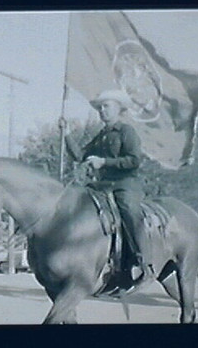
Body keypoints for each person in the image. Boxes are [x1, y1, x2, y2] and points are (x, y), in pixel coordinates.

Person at [60, 89, 155, 285]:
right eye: (100, 107)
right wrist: (67, 134)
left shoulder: (126, 132)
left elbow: (135, 160)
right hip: (101, 185)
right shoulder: (102, 135)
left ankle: (143, 260)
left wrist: (104, 162)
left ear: (119, 109)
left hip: (125, 184)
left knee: (129, 211)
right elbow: (80, 156)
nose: (102, 110)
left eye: (106, 106)